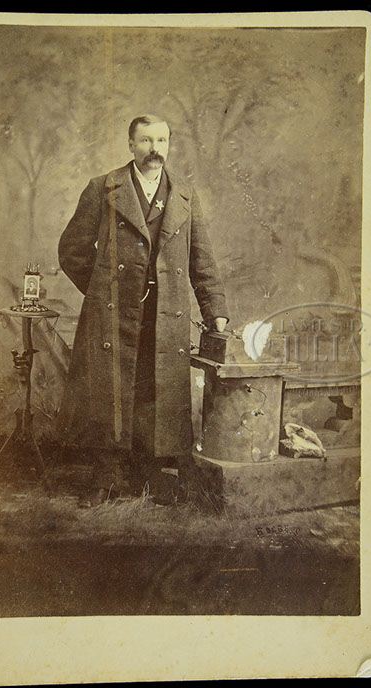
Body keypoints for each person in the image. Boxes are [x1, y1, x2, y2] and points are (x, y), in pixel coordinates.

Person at [58, 114, 229, 505]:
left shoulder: (184, 195)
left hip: (165, 313)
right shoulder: (104, 188)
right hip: (113, 312)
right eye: (147, 141)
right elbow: (71, 250)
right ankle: (105, 477)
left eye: (162, 141)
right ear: (131, 145)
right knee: (110, 389)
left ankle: (148, 473)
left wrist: (215, 311)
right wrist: (103, 292)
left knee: (154, 390)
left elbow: (202, 260)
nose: (155, 149)